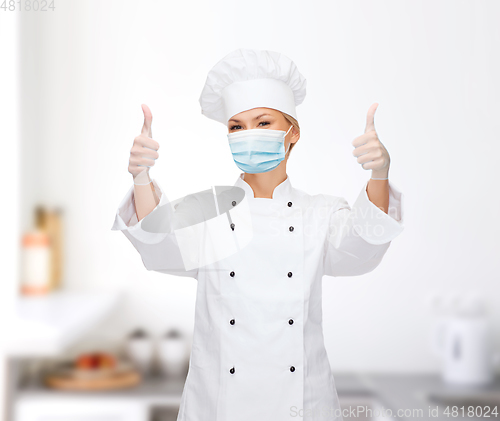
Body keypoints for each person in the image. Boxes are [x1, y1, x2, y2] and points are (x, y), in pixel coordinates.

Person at [111, 48, 404, 421]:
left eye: (263, 123)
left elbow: (363, 246)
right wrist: (141, 178)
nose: (249, 134)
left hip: (303, 405)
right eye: (237, 126)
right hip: (219, 407)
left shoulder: (320, 213)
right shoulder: (211, 211)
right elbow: (157, 243)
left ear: (293, 132)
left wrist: (379, 175)